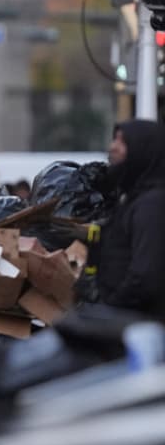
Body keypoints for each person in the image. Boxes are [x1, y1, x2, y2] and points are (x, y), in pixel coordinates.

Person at [96, 120, 165, 321]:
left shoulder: (151, 205)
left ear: (144, 150)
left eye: (123, 142)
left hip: (137, 323)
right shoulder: (132, 199)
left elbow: (145, 276)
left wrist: (110, 308)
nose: (113, 147)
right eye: (114, 139)